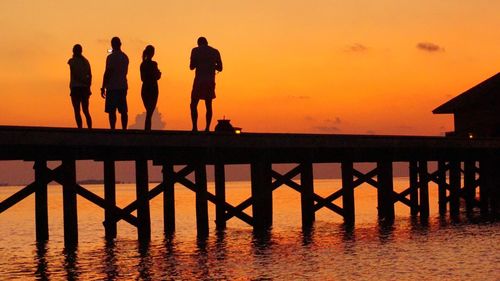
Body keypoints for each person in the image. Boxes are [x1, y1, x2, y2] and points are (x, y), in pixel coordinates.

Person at [190, 36, 223, 132]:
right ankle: (207, 128)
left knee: (193, 104)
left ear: (198, 43)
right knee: (208, 105)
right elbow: (220, 68)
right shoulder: (215, 51)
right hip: (210, 81)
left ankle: (194, 127)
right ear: (207, 42)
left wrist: (199, 62)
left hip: (199, 81)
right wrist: (212, 64)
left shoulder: (195, 51)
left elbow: (192, 67)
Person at [101, 37, 129, 130]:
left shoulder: (110, 58)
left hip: (112, 87)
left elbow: (107, 72)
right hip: (122, 86)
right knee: (123, 110)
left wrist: (103, 87)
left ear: (112, 45)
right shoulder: (125, 57)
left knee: (112, 111)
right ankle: (124, 129)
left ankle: (113, 129)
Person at [68, 44, 92, 129]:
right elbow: (90, 75)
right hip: (85, 88)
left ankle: (80, 129)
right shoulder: (86, 62)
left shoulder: (72, 61)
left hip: (76, 88)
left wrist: (83, 81)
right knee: (86, 111)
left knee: (77, 111)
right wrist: (88, 85)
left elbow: (75, 74)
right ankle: (89, 128)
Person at [140, 45, 161, 130]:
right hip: (153, 88)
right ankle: (147, 131)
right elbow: (157, 76)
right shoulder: (153, 64)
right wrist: (158, 74)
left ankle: (147, 130)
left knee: (149, 112)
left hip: (145, 88)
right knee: (150, 112)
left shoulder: (142, 64)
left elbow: (142, 78)